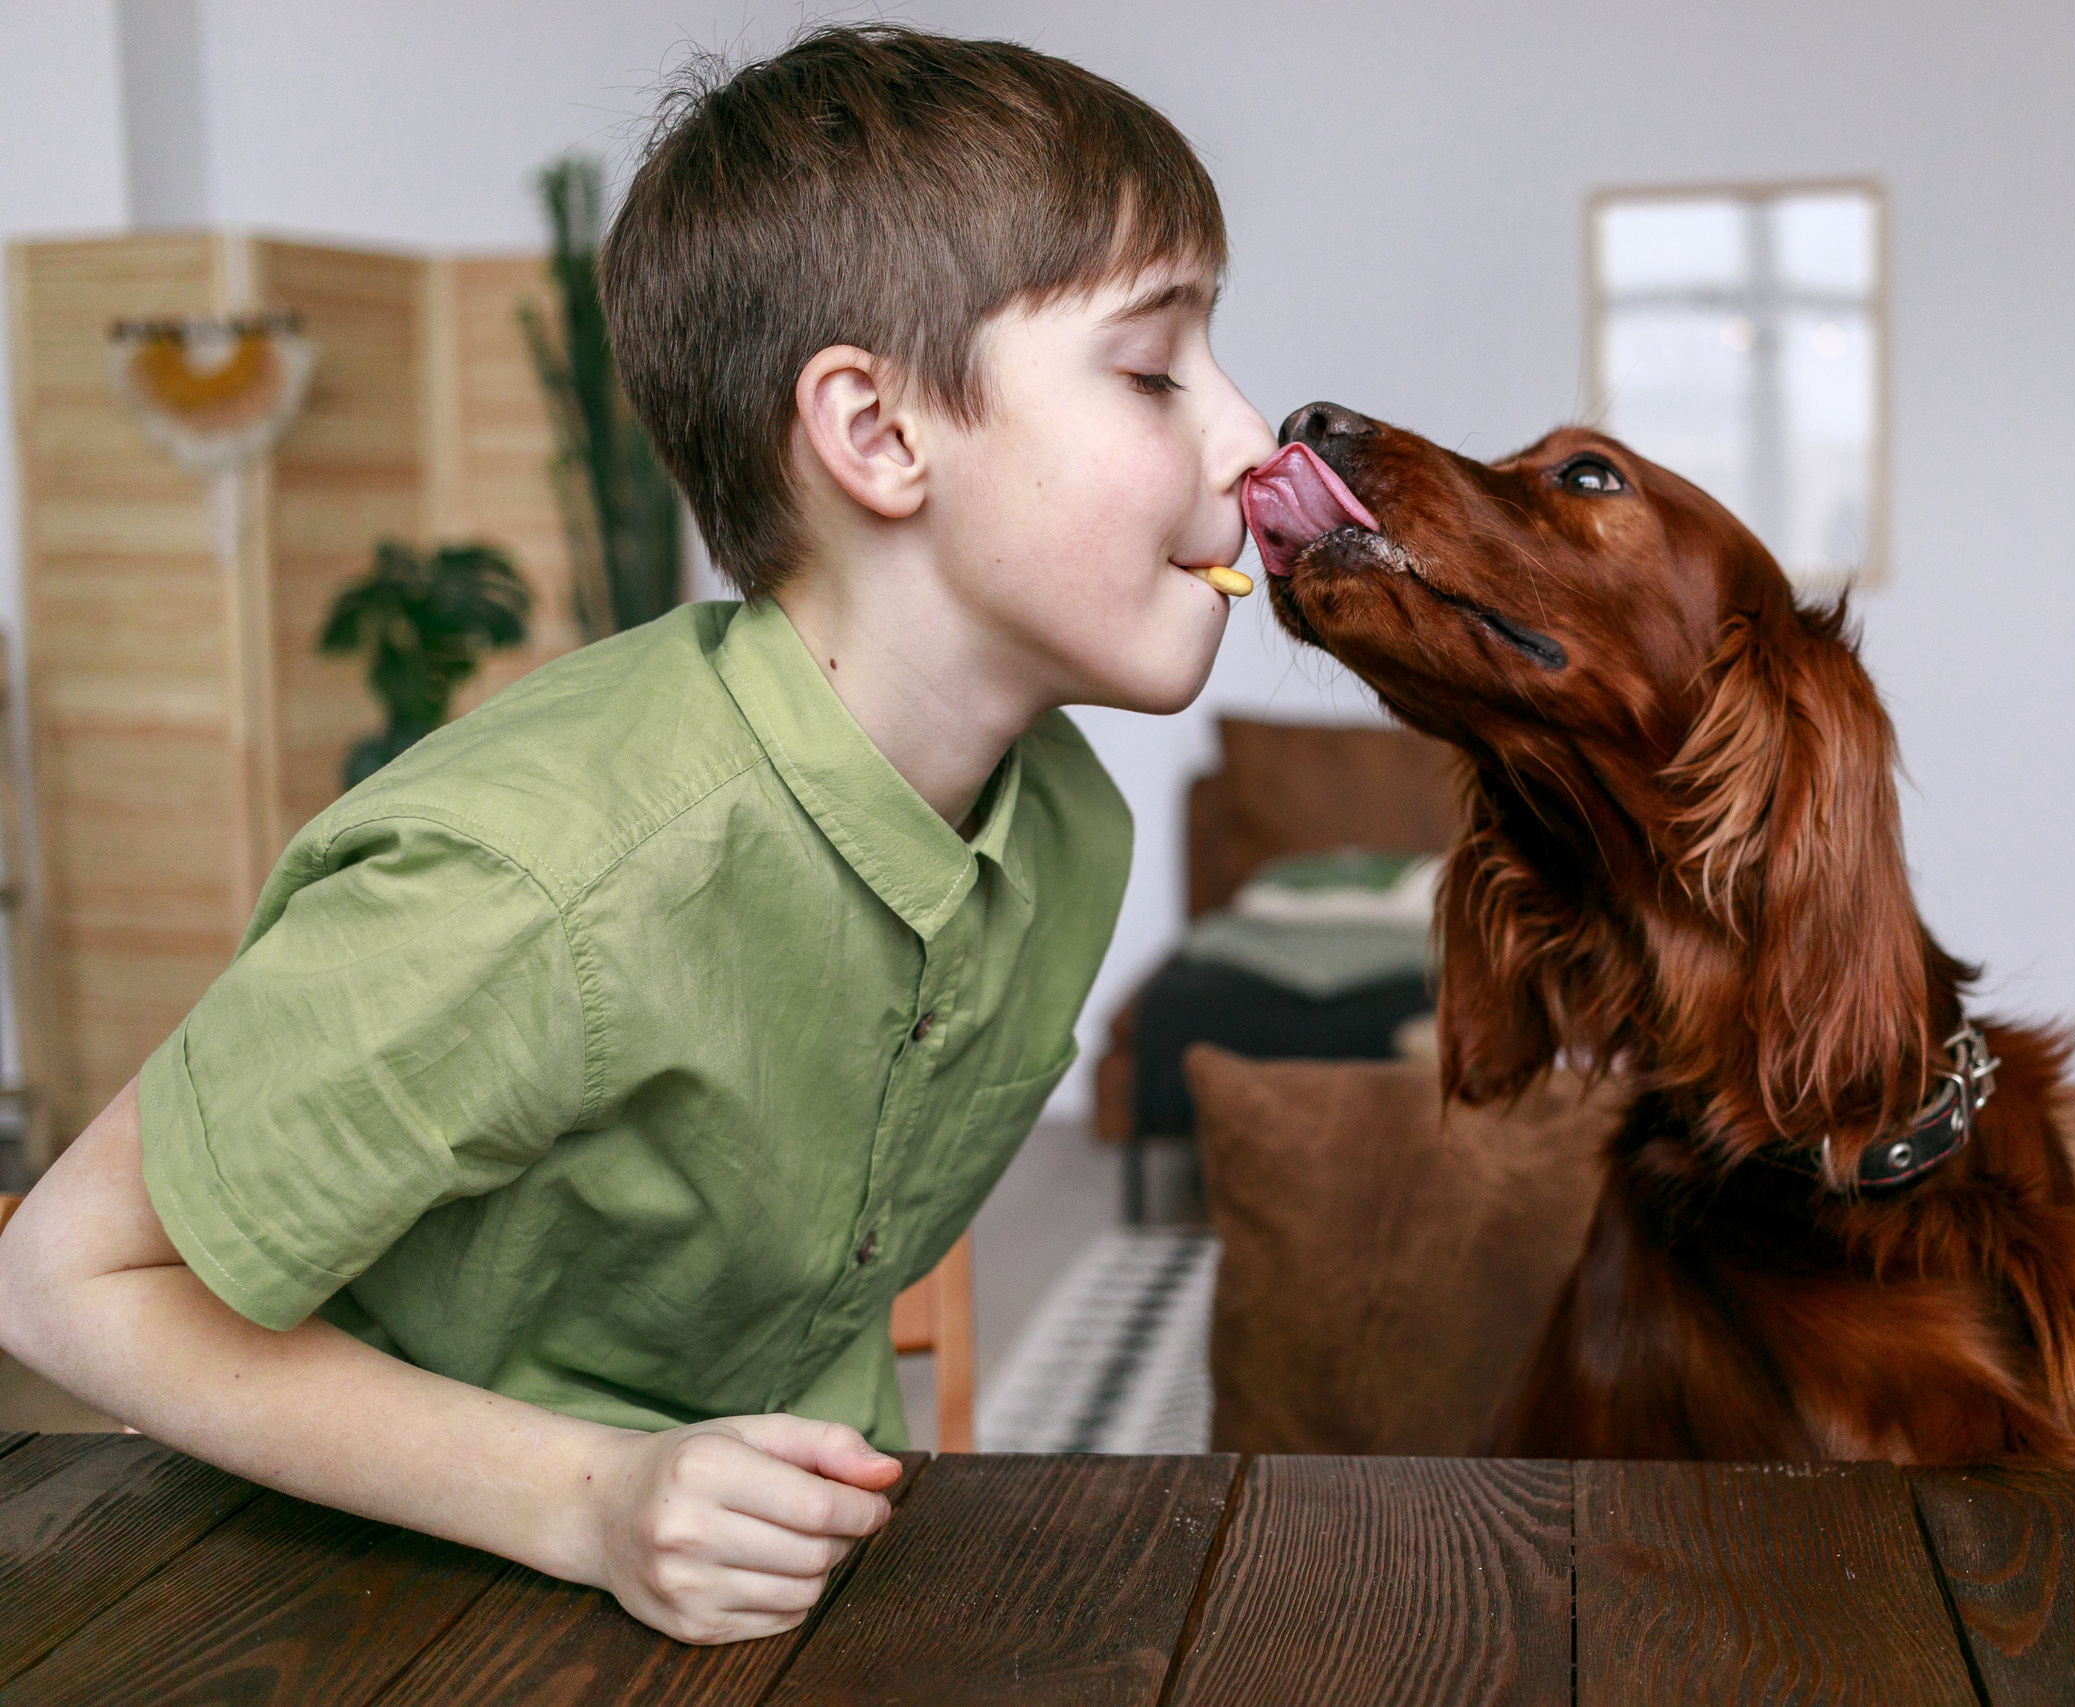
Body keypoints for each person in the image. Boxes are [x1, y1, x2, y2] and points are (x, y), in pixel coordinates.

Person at [0, 25, 1272, 1645]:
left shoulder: (1069, 831)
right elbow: (66, 1281)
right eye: (1157, 370)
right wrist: (593, 1497)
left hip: (774, 1601)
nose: (1248, 440)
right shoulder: (541, 887)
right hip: (358, 1612)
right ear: (877, 434)